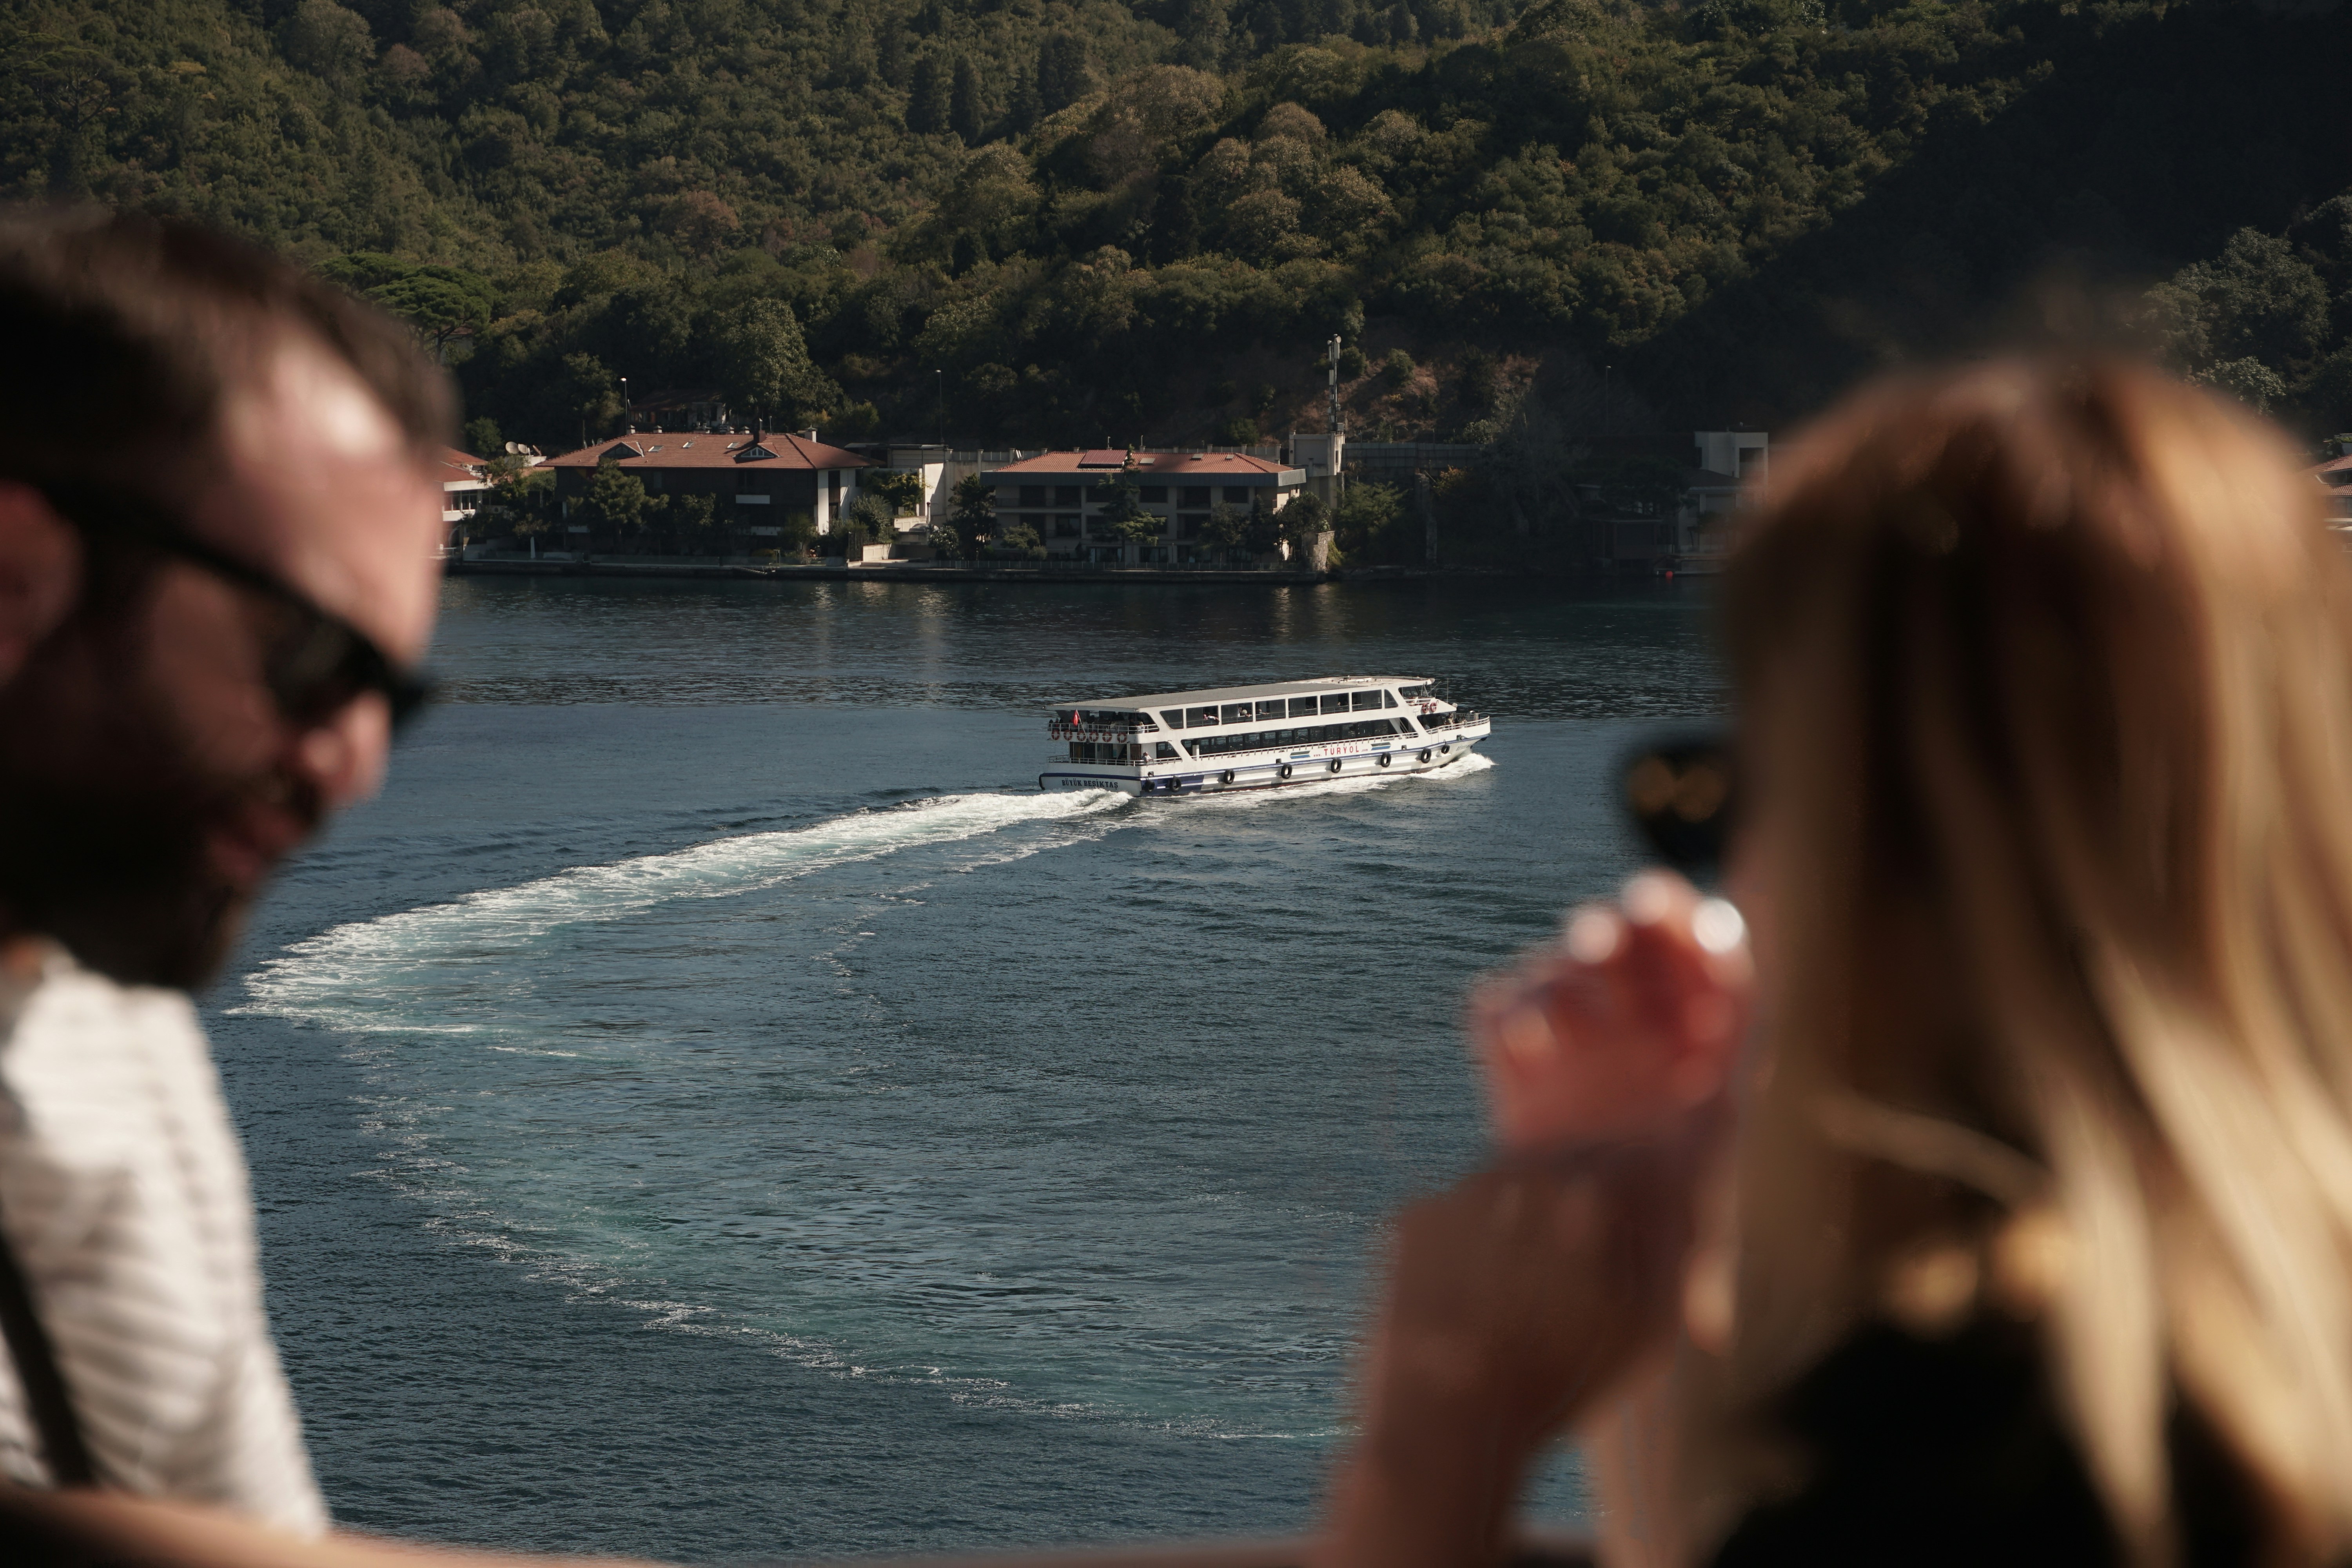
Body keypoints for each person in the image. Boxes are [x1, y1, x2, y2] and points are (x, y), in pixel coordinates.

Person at [1316, 357, 2352, 1566]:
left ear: (1895, 847)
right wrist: (1668, 1243)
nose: (1716, 866)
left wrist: (1439, 1426)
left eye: (1745, 789)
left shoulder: (1988, 1432)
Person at [0, 207, 449, 1532]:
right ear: (15, 572)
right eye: (312, 663)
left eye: (391, 700)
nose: (355, 766)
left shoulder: (120, 1043)